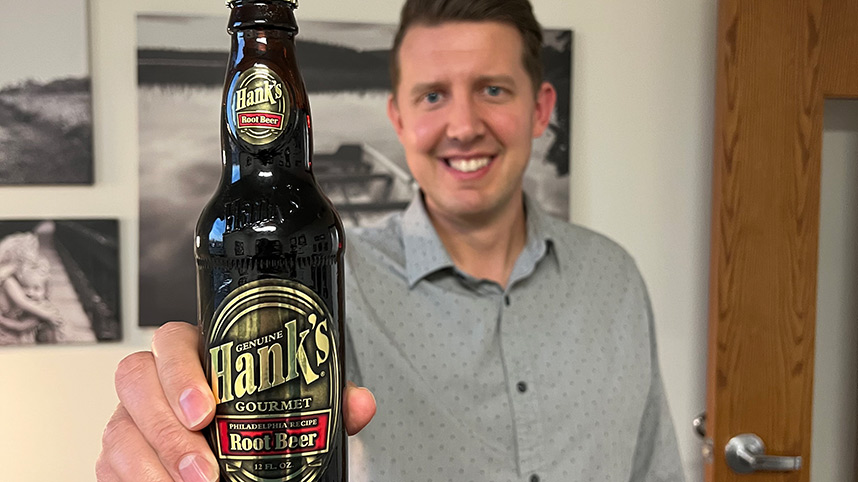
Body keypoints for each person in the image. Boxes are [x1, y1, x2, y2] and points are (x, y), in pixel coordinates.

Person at [98, 0, 686, 480]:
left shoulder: (616, 278)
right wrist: (169, 430)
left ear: (541, 109)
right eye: (432, 95)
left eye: (494, 90)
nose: (462, 126)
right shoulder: (338, 276)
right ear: (397, 119)